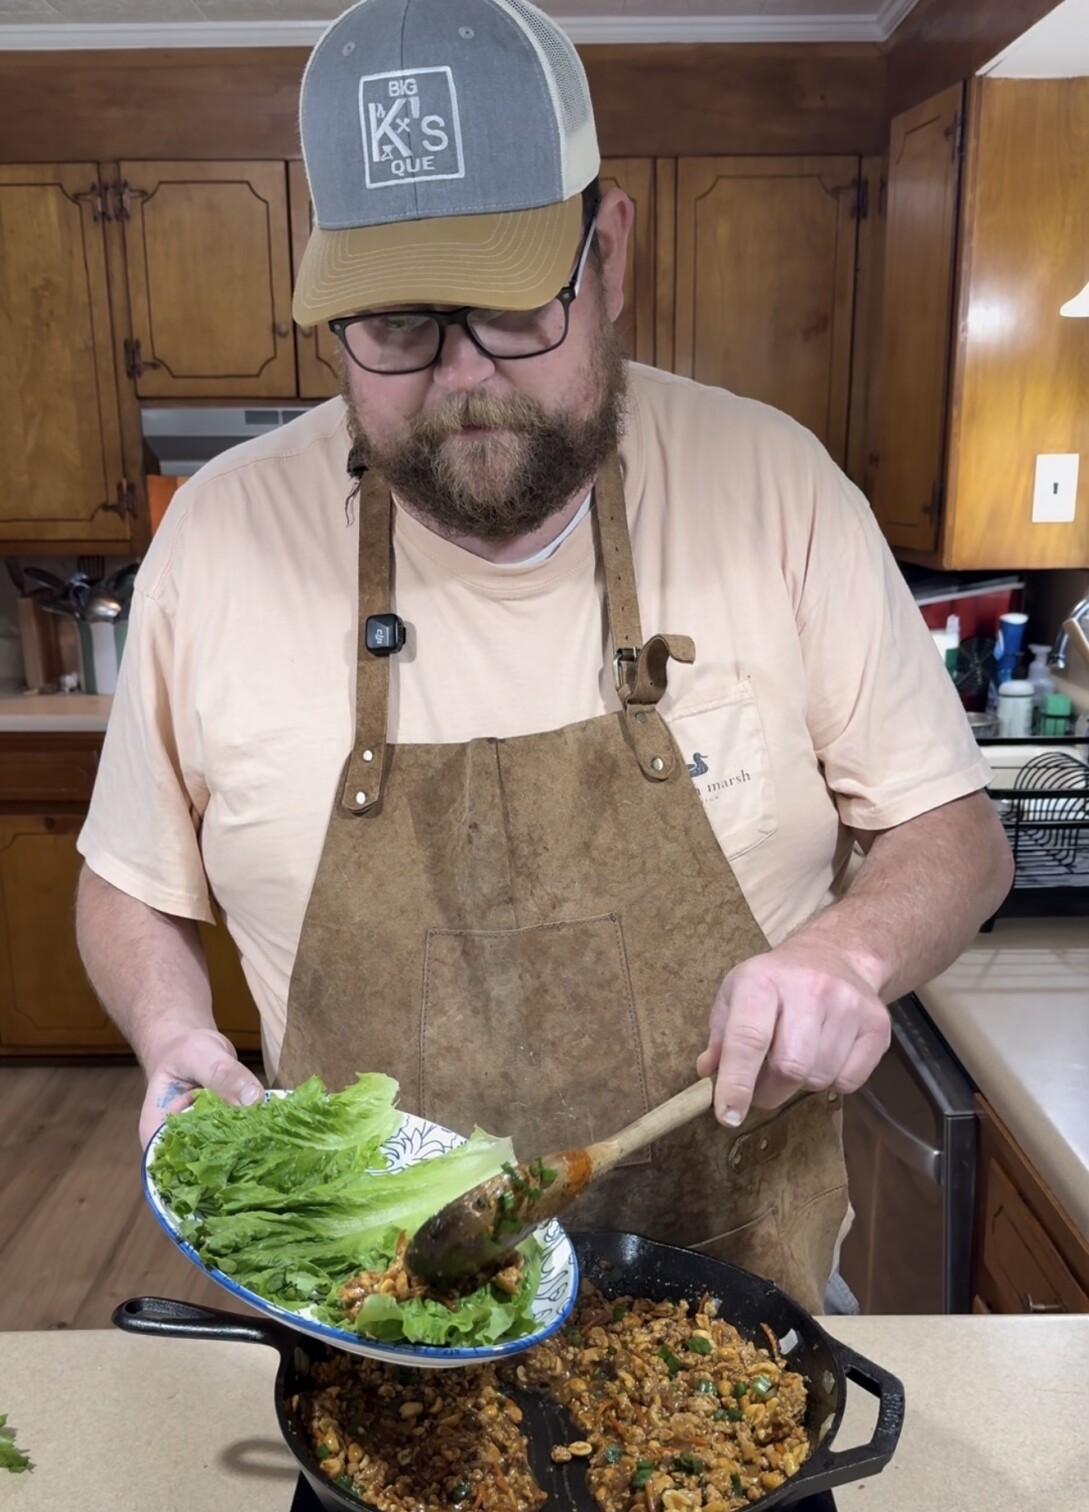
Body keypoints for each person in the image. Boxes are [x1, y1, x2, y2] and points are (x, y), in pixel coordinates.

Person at [75, 0, 1012, 1316]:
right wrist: (175, 1038)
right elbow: (131, 885)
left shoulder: (774, 489)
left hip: (734, 1325)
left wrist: (850, 955)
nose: (461, 377)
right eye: (395, 325)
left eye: (511, 304)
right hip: (376, 1328)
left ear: (608, 252)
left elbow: (957, 841)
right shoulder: (218, 541)